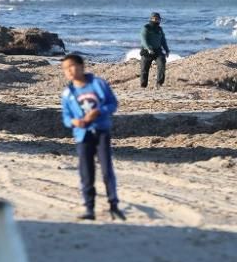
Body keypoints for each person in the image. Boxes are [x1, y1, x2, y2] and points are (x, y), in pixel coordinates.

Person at [60, 54, 126, 221]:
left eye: (72, 66)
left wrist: (99, 112)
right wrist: (74, 122)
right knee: (86, 172)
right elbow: (66, 117)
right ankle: (89, 208)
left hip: (102, 131)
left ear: (82, 66)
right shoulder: (68, 93)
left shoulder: (98, 84)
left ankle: (113, 204)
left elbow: (113, 104)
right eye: (66, 69)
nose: (70, 71)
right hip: (82, 135)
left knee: (106, 169)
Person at [139, 12, 169, 88]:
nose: (156, 20)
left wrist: (166, 50)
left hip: (158, 50)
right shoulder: (146, 27)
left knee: (162, 65)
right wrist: (148, 48)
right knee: (144, 69)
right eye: (154, 18)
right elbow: (143, 40)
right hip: (147, 51)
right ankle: (143, 85)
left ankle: (159, 83)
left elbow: (163, 40)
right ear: (151, 19)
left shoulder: (159, 29)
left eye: (158, 19)